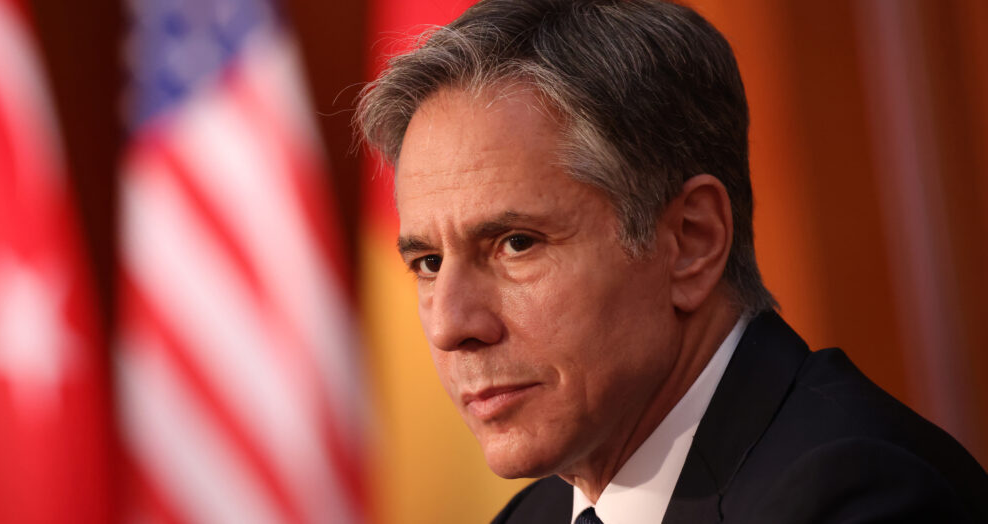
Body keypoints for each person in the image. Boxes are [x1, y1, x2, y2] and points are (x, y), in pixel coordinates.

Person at [355, 0, 988, 522]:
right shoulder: (533, 519)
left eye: (516, 243)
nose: (450, 326)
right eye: (429, 263)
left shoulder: (855, 498)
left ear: (692, 241)